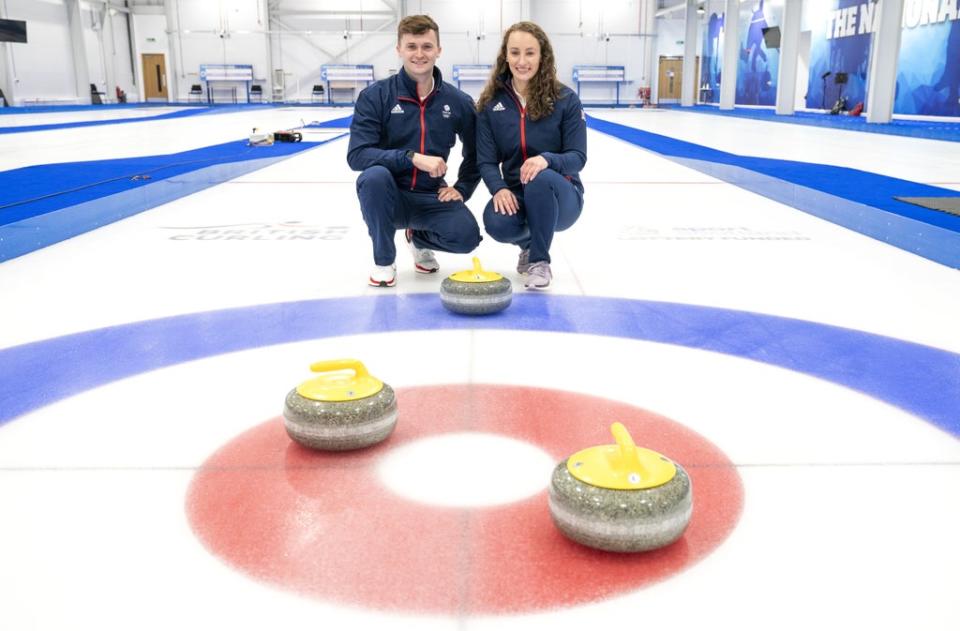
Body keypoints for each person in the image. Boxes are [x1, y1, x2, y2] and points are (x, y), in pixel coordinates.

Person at [348, 15, 481, 287]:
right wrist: (410, 158)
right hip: (388, 195)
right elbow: (358, 155)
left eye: (427, 46)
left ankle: (418, 238)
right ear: (399, 50)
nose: (419, 54)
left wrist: (463, 188)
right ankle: (384, 261)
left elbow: (476, 152)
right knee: (373, 177)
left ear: (438, 50)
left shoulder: (458, 102)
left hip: (430, 196)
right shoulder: (376, 96)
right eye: (411, 46)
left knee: (466, 237)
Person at [475, 21, 586, 290]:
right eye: (515, 53)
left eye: (530, 53)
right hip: (517, 194)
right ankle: (528, 244)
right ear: (506, 56)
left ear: (542, 56)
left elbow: (578, 156)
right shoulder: (491, 104)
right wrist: (499, 188)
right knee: (495, 221)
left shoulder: (564, 100)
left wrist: (547, 159)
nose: (521, 61)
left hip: (563, 195)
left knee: (538, 176)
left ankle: (539, 261)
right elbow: (487, 161)